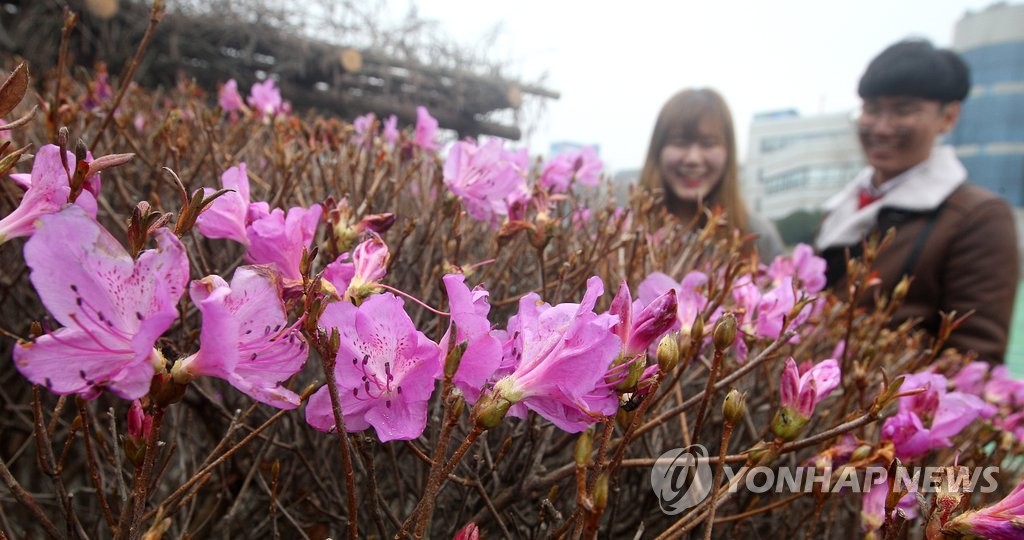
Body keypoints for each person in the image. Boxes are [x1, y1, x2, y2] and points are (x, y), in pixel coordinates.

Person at [816, 39, 1019, 363]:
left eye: (904, 110)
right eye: (872, 109)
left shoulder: (978, 218)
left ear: (949, 117)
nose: (881, 128)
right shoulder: (840, 208)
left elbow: (973, 359)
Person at [639, 88, 784, 262]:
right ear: (657, 151)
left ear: (728, 152)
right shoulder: (625, 231)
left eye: (708, 143)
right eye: (679, 142)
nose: (693, 159)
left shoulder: (758, 237)